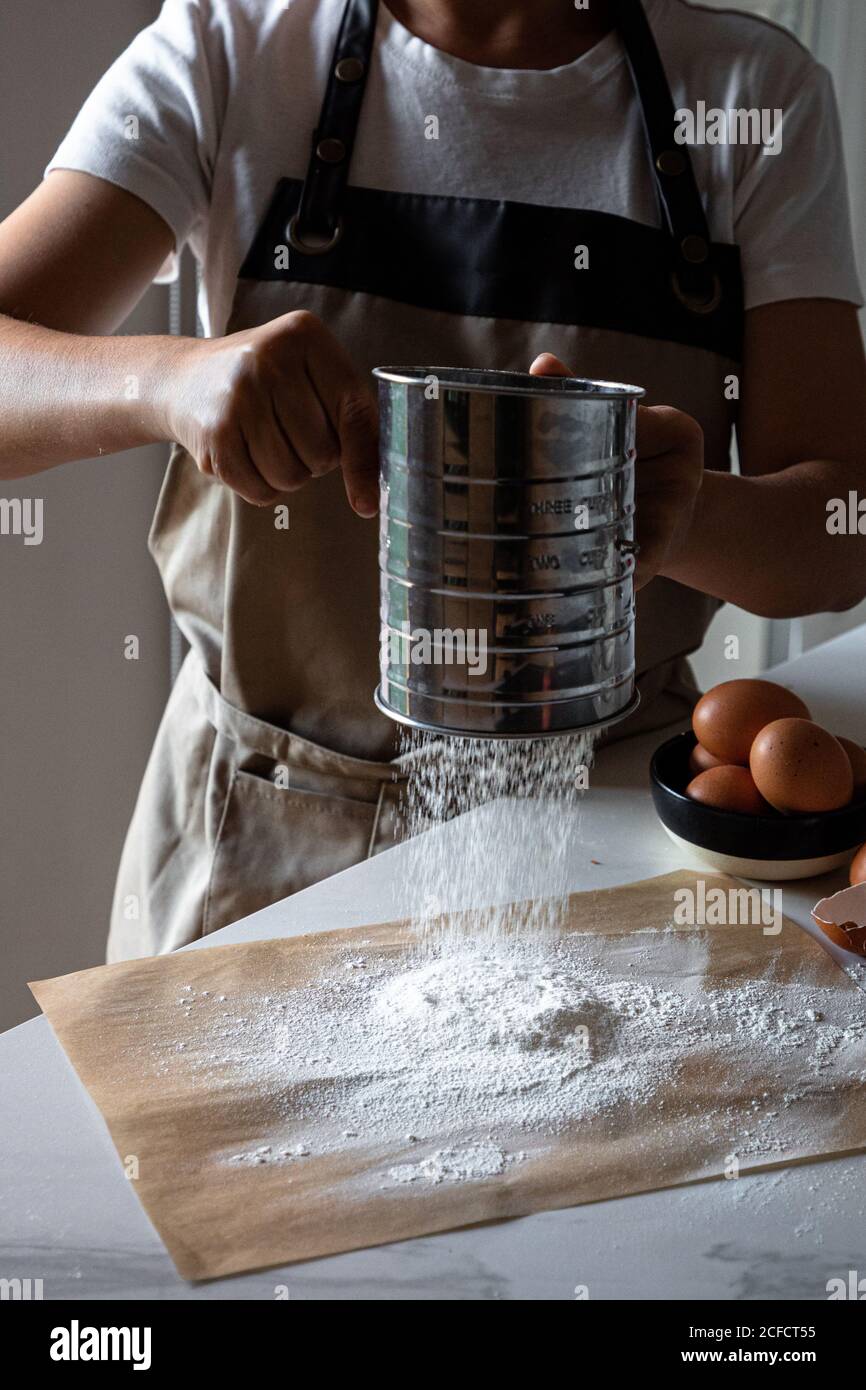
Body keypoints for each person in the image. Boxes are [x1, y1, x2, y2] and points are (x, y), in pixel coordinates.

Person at [0, 0, 863, 959]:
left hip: (600, 827)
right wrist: (166, 381)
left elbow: (842, 531)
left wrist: (688, 511)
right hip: (262, 833)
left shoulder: (754, 96)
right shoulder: (229, 50)